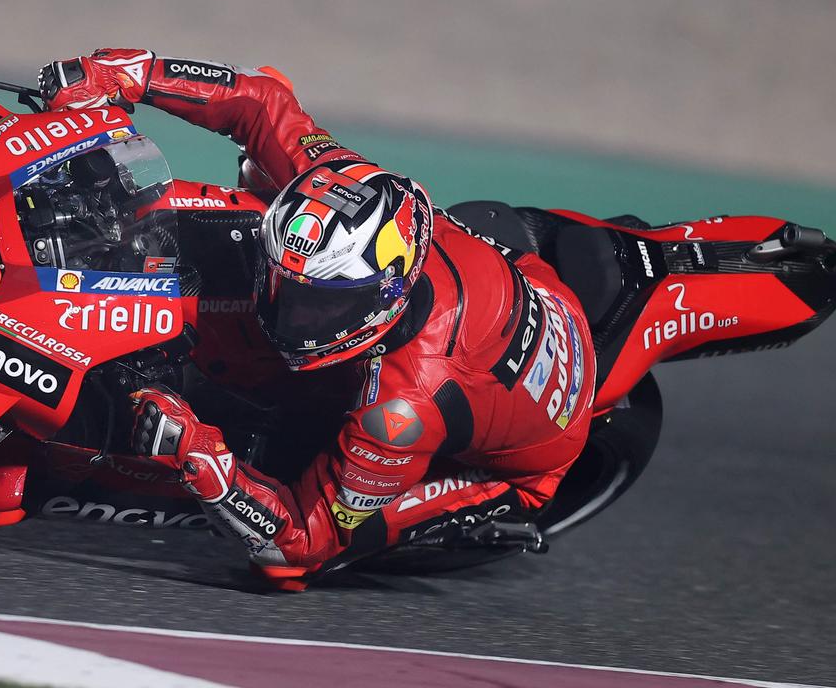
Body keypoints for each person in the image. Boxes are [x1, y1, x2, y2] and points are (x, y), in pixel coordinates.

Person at [38, 49, 596, 590]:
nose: (290, 316)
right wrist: (127, 74)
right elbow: (261, 101)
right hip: (523, 278)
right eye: (287, 289)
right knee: (260, 182)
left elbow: (296, 547)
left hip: (504, 462)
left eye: (321, 305)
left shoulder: (401, 411)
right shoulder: (343, 184)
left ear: (387, 291)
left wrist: (201, 456)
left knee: (338, 540)